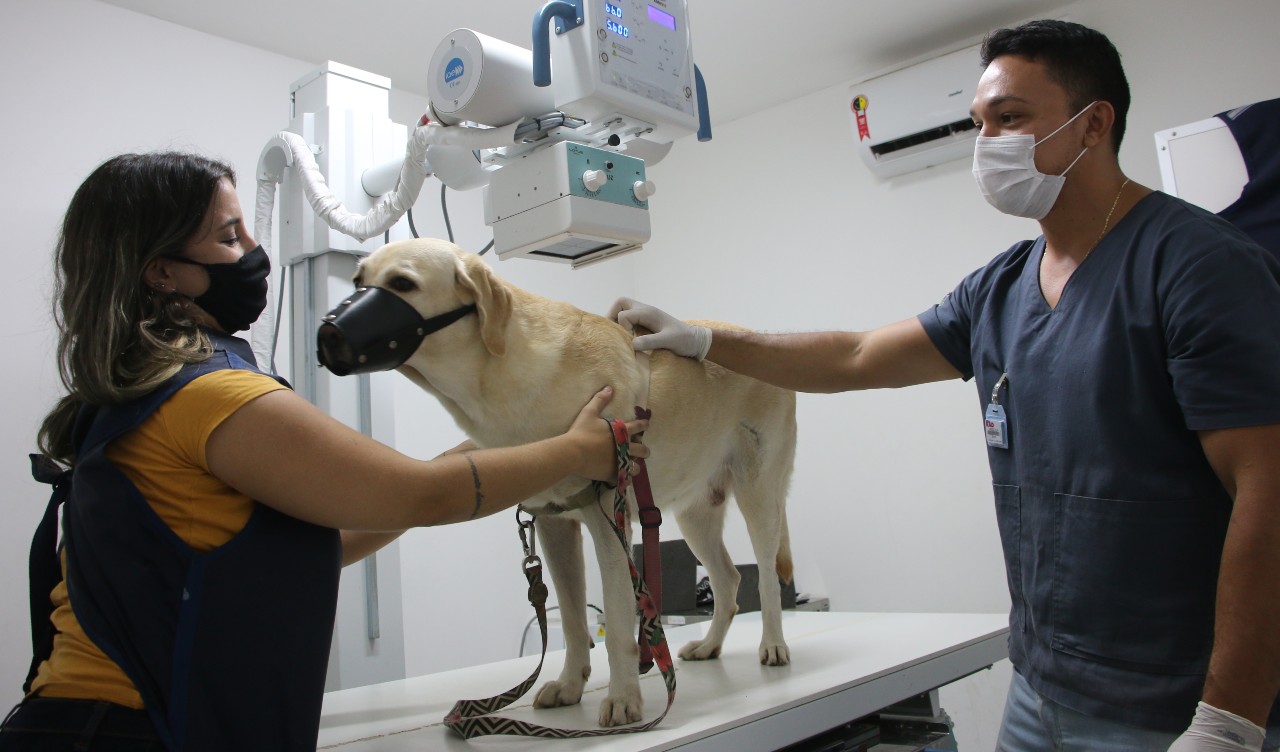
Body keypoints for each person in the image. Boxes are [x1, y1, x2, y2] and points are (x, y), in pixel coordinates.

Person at [611, 19, 1280, 752]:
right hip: (1040, 687)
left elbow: (1268, 492)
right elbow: (859, 355)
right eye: (979, 123)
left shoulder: (1198, 268)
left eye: (1011, 118)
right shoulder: (1002, 287)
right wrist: (709, 340)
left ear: (1094, 126)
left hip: (1169, 707)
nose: (987, 141)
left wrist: (1230, 719)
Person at [1, 151, 647, 751]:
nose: (255, 252)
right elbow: (424, 495)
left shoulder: (131, 396)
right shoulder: (209, 398)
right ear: (162, 271)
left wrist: (474, 452)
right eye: (229, 238)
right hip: (120, 733)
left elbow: (314, 543)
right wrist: (574, 451)